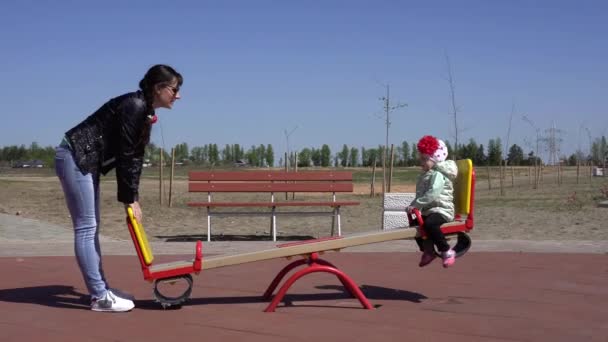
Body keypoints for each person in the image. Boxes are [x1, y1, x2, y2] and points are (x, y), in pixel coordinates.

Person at [55, 64, 183, 312]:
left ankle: (101, 289)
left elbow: (134, 156)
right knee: (86, 227)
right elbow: (127, 155)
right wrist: (129, 199)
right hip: (75, 155)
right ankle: (99, 296)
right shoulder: (134, 106)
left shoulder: (142, 110)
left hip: (84, 159)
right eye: (175, 89)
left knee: (91, 226)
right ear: (159, 88)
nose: (178, 95)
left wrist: (132, 196)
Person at [406, 135, 458, 268]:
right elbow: (422, 194)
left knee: (430, 224)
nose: (421, 162)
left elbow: (432, 194)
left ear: (435, 160)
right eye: (421, 159)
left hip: (443, 210)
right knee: (415, 224)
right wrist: (413, 205)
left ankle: (446, 251)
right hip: (431, 210)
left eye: (424, 159)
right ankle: (428, 251)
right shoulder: (427, 174)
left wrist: (416, 205)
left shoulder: (437, 175)